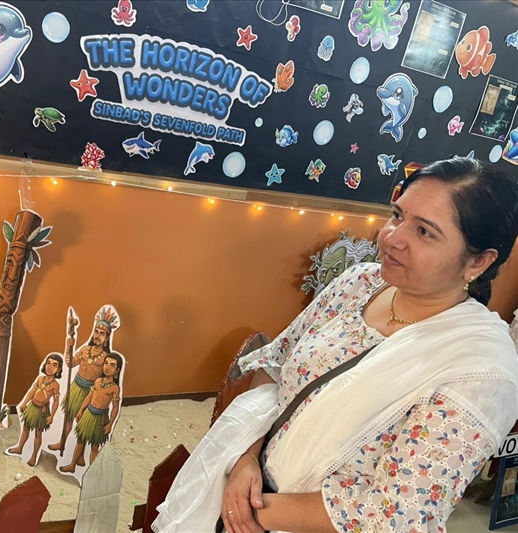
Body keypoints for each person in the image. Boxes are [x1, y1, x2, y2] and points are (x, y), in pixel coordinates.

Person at [154, 158, 518, 533]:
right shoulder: (360, 283)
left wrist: (248, 511)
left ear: (478, 261)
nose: (393, 238)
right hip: (241, 482)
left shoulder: (481, 373)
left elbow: (395, 516)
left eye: (424, 231)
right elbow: (277, 365)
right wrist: (245, 457)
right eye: (397, 215)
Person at [48, 306, 119, 454]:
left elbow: (105, 378)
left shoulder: (106, 358)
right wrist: (68, 348)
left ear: (107, 339)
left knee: (84, 422)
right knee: (69, 417)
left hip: (91, 392)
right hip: (77, 386)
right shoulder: (85, 350)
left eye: (102, 334)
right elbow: (70, 363)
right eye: (96, 332)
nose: (97, 336)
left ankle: (80, 455)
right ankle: (62, 443)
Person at [61, 352, 124, 473]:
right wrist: (81, 410)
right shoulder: (98, 381)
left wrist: (110, 424)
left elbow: (115, 407)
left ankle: (93, 472)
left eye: (112, 365)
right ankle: (72, 465)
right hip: (88, 414)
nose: (107, 367)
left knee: (94, 447)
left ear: (117, 370)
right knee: (80, 441)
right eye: (106, 363)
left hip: (100, 418)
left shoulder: (115, 388)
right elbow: (89, 397)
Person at [6, 354, 63, 467]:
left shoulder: (55, 385)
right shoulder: (40, 379)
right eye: (48, 363)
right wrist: (24, 402)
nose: (50, 367)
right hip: (32, 407)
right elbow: (32, 391)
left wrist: (51, 416)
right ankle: (20, 448)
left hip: (42, 411)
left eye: (54, 365)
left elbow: (56, 402)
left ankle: (34, 456)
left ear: (58, 369)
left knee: (38, 433)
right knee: (25, 428)